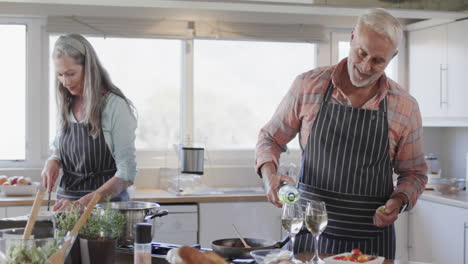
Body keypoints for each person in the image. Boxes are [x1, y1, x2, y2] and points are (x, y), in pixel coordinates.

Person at [255, 8, 427, 259]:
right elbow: (270, 138)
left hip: (371, 244)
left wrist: (399, 200)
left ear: (393, 56)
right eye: (361, 53)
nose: (366, 66)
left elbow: (414, 173)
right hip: (308, 236)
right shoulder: (308, 86)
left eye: (378, 60)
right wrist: (269, 176)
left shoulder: (405, 106)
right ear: (352, 37)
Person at [41, 34, 137, 211]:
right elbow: (59, 145)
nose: (65, 82)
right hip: (66, 208)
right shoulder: (66, 102)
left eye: (71, 74)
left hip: (107, 213)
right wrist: (54, 159)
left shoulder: (115, 106)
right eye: (60, 75)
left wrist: (82, 204)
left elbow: (127, 173)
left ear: (89, 68)